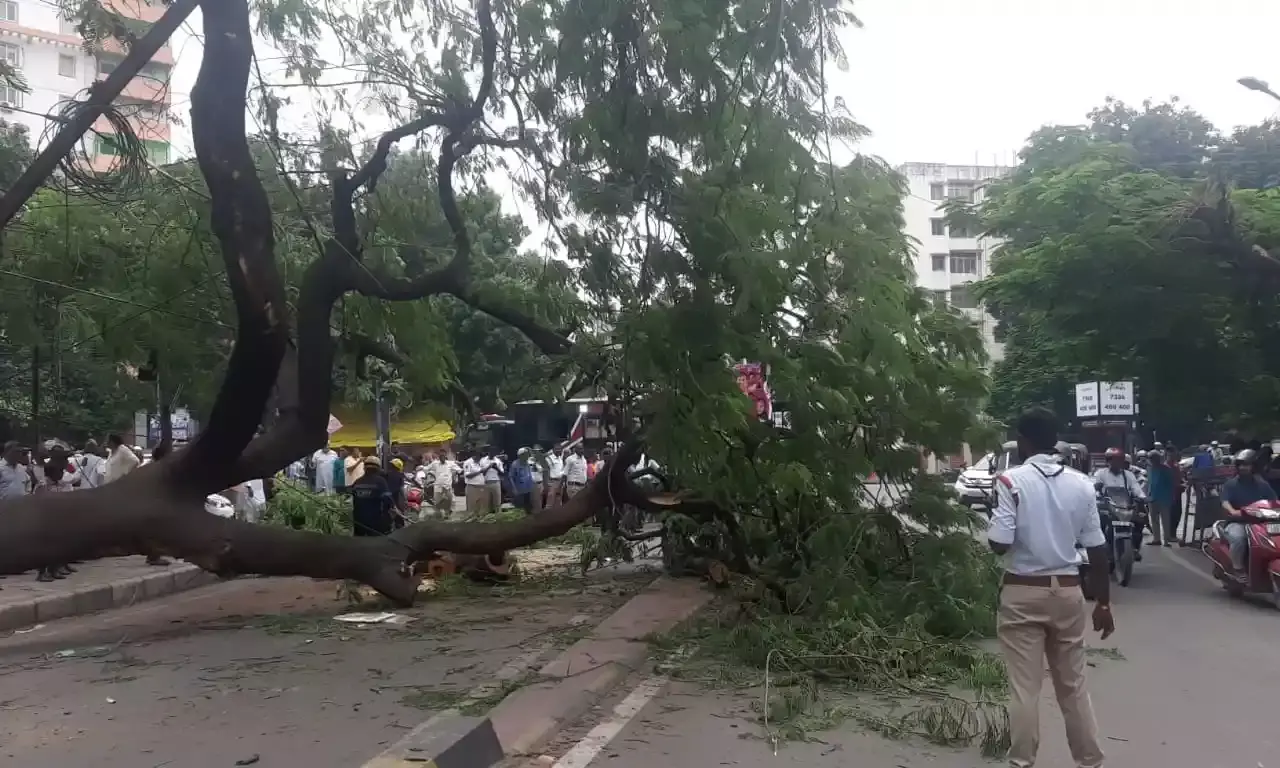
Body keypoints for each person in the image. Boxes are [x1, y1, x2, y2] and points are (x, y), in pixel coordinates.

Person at [987, 407, 1111, 768]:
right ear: (1054, 440)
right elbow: (1097, 549)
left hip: (1023, 591)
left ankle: (1022, 761)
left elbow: (999, 542)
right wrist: (1103, 602)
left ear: (1022, 440)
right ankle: (1090, 760)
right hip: (1069, 592)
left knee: (1025, 688)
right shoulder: (1082, 484)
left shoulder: (1010, 481)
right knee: (1073, 686)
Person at [1221, 448, 1278, 572]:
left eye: (1246, 465)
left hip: (1260, 523)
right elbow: (1225, 502)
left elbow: (1274, 501)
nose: (1242, 468)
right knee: (1239, 540)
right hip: (1238, 522)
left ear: (1253, 466)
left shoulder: (1262, 485)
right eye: (1240, 465)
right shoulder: (1230, 484)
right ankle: (1237, 569)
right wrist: (1233, 511)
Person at [35, 445, 81, 581]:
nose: (66, 462)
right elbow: (65, 479)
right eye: (64, 458)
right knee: (47, 543)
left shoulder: (57, 469)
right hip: (48, 513)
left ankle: (54, 568)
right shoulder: (51, 469)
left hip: (58, 511)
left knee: (58, 542)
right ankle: (43, 572)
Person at [345, 456, 395, 536]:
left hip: (359, 521)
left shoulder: (357, 482)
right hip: (375, 522)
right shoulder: (380, 481)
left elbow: (351, 501)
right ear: (378, 469)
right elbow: (388, 500)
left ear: (364, 468)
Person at [1144, 450, 1176, 547]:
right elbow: (1149, 483)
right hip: (1152, 497)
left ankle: (1166, 540)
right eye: (1151, 459)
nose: (1152, 461)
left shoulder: (1166, 469)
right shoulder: (1150, 469)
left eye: (1153, 459)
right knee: (1154, 520)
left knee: (1165, 519)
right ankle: (1156, 539)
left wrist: (1171, 497)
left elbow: (1170, 485)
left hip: (1164, 498)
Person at [425, 451, 454, 518]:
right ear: (439, 457)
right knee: (437, 501)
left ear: (445, 456)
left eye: (443, 456)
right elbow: (427, 468)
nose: (442, 458)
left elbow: (459, 469)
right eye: (440, 456)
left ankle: (447, 514)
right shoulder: (435, 463)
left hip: (447, 487)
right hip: (438, 487)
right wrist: (421, 467)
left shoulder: (450, 463)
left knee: (448, 500)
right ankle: (438, 514)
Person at [509, 448, 536, 513]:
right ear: (520, 455)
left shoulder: (528, 462)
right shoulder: (515, 464)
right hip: (520, 490)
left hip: (529, 488)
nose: (527, 455)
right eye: (525, 454)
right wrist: (514, 488)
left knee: (529, 508)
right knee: (520, 509)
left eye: (527, 454)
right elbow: (511, 477)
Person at [462, 449, 488, 516]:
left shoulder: (480, 462)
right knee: (472, 507)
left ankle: (478, 521)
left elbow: (483, 473)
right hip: (472, 487)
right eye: (479, 457)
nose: (480, 458)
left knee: (481, 507)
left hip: (481, 486)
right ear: (475, 456)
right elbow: (468, 475)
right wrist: (479, 471)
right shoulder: (468, 462)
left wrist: (484, 471)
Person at [483, 447, 504, 512]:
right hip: (486, 483)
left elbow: (502, 473)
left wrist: (496, 467)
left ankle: (498, 517)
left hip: (496, 482)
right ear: (488, 452)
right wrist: (489, 466)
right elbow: (482, 473)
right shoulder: (483, 460)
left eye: (494, 452)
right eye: (491, 452)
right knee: (486, 503)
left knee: (497, 502)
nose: (492, 454)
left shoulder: (498, 461)